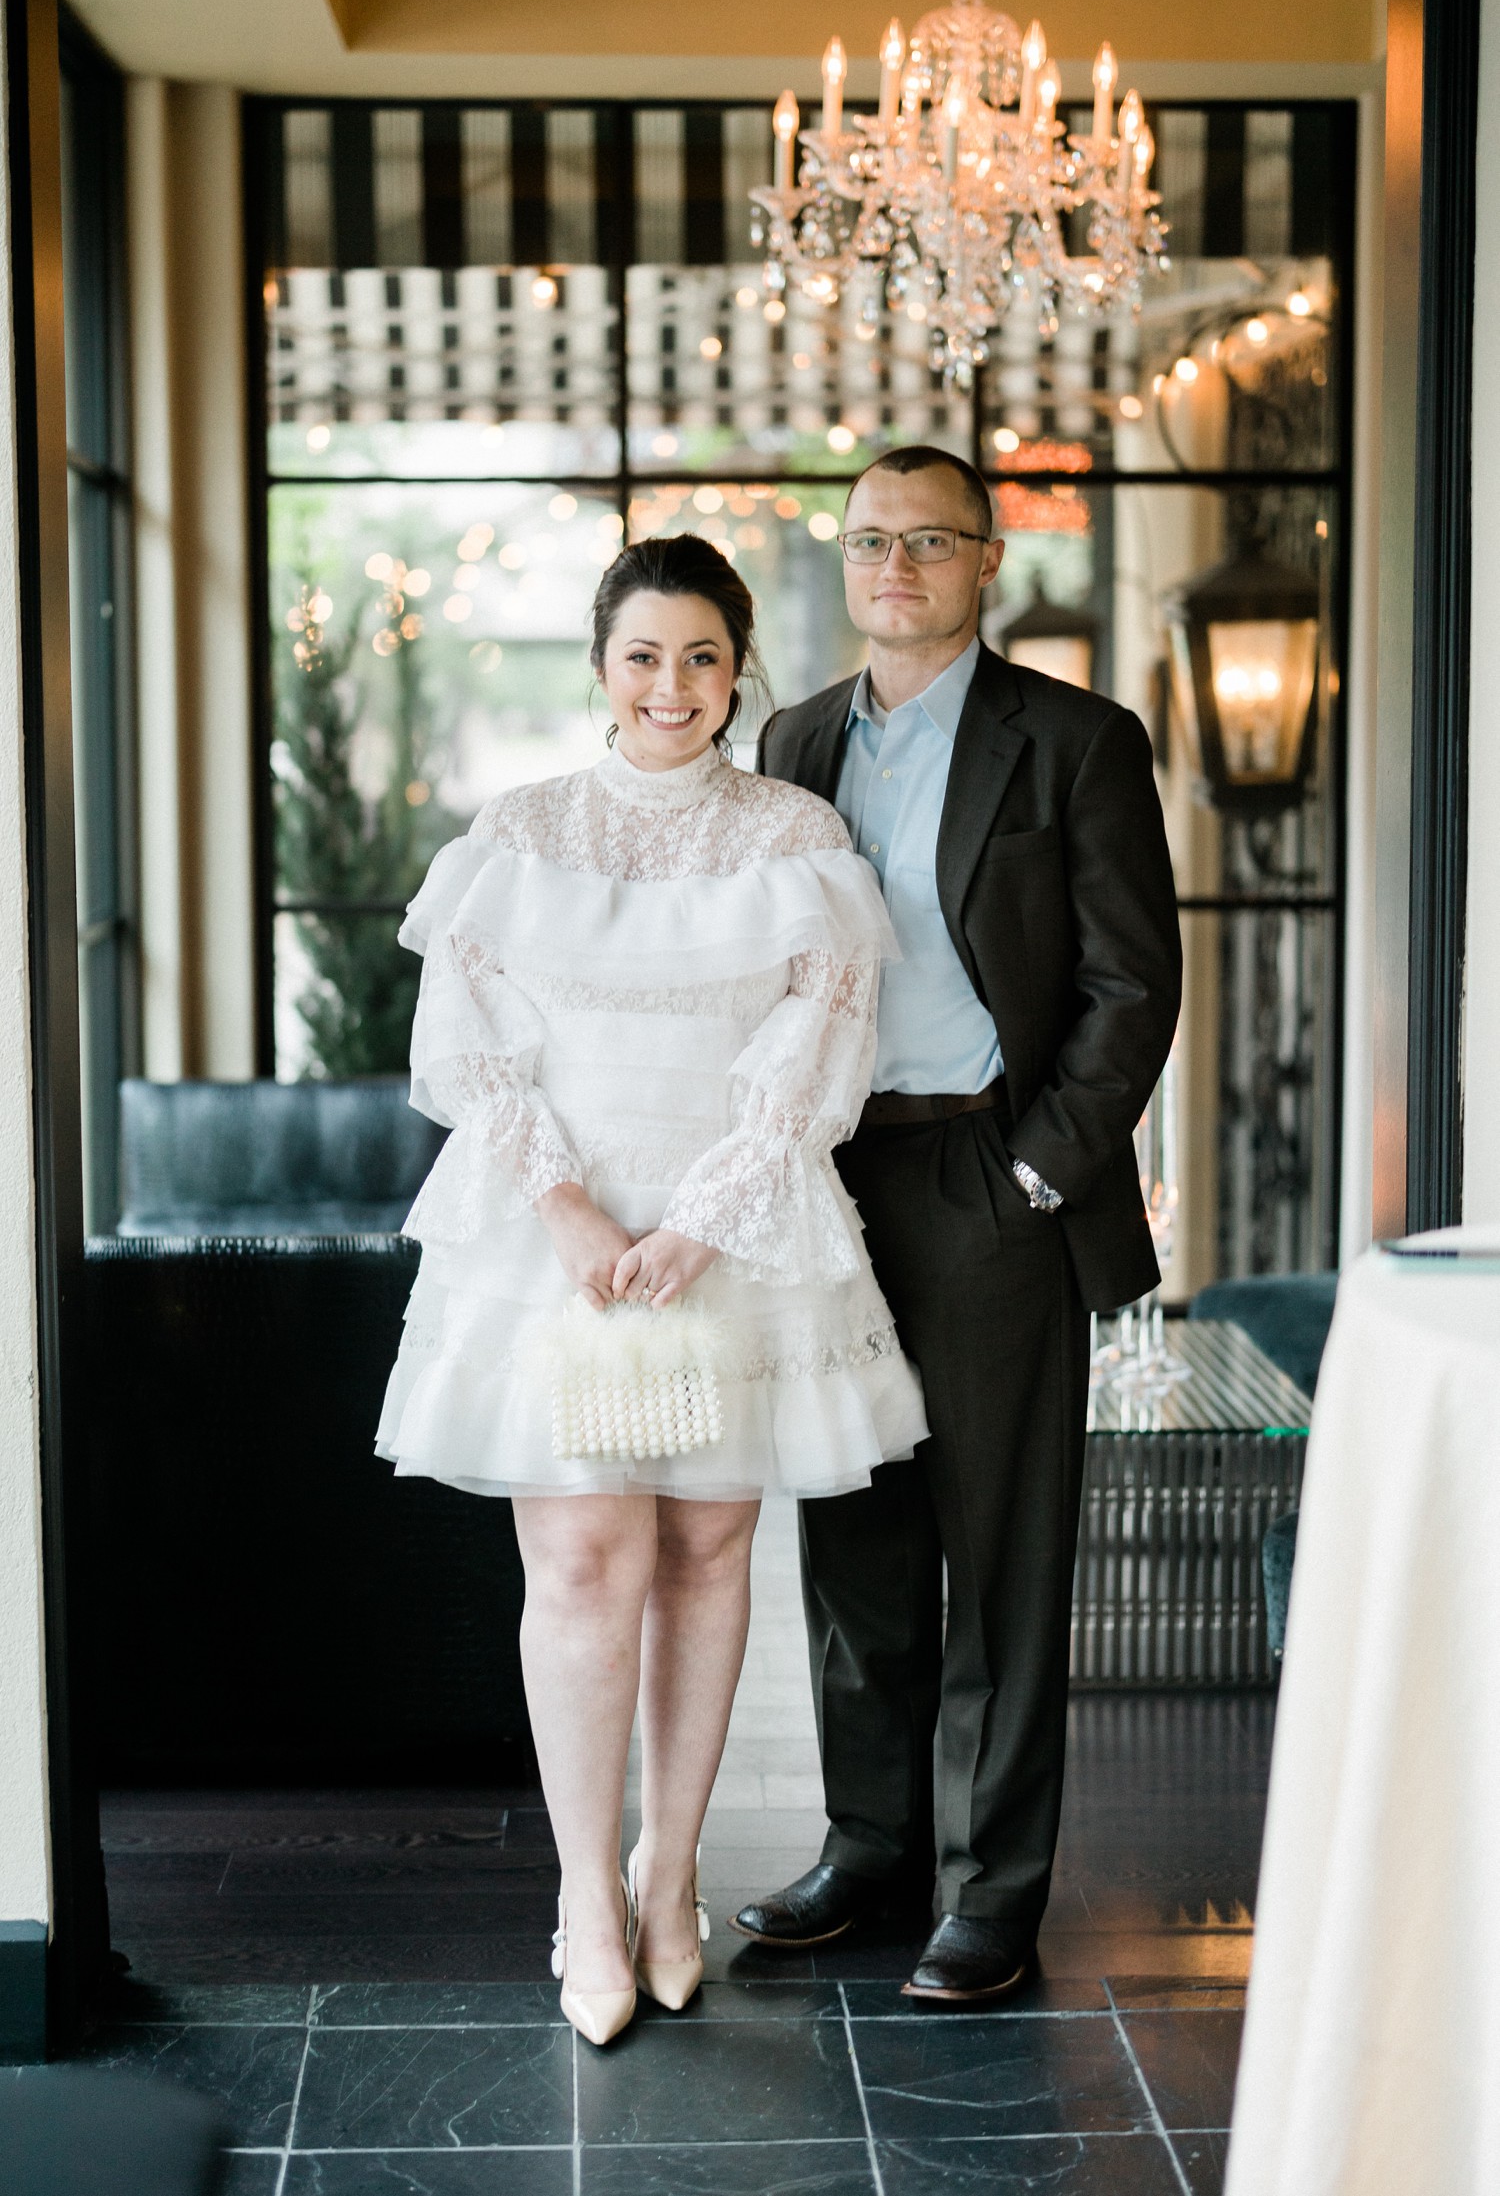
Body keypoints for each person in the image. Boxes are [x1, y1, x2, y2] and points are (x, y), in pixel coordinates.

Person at [376, 534, 927, 2045]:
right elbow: (466, 1043)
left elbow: (820, 1052)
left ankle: (672, 1873)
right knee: (582, 1563)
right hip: (552, 1238)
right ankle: (581, 1894)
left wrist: (699, 1223)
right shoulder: (521, 827)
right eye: (643, 654)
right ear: (600, 664)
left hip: (733, 1235)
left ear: (736, 666)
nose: (672, 685)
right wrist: (564, 1206)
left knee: (702, 1552)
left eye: (700, 656)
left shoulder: (795, 833)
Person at [735, 445, 1181, 2003]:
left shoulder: (1074, 740)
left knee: (997, 1553)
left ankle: (989, 1886)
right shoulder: (790, 739)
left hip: (991, 1180)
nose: (897, 565)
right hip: (830, 1181)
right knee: (853, 1528)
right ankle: (872, 1849)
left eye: (932, 539)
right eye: (872, 539)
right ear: (844, 558)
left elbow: (1135, 982)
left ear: (987, 560)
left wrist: (1042, 1171)